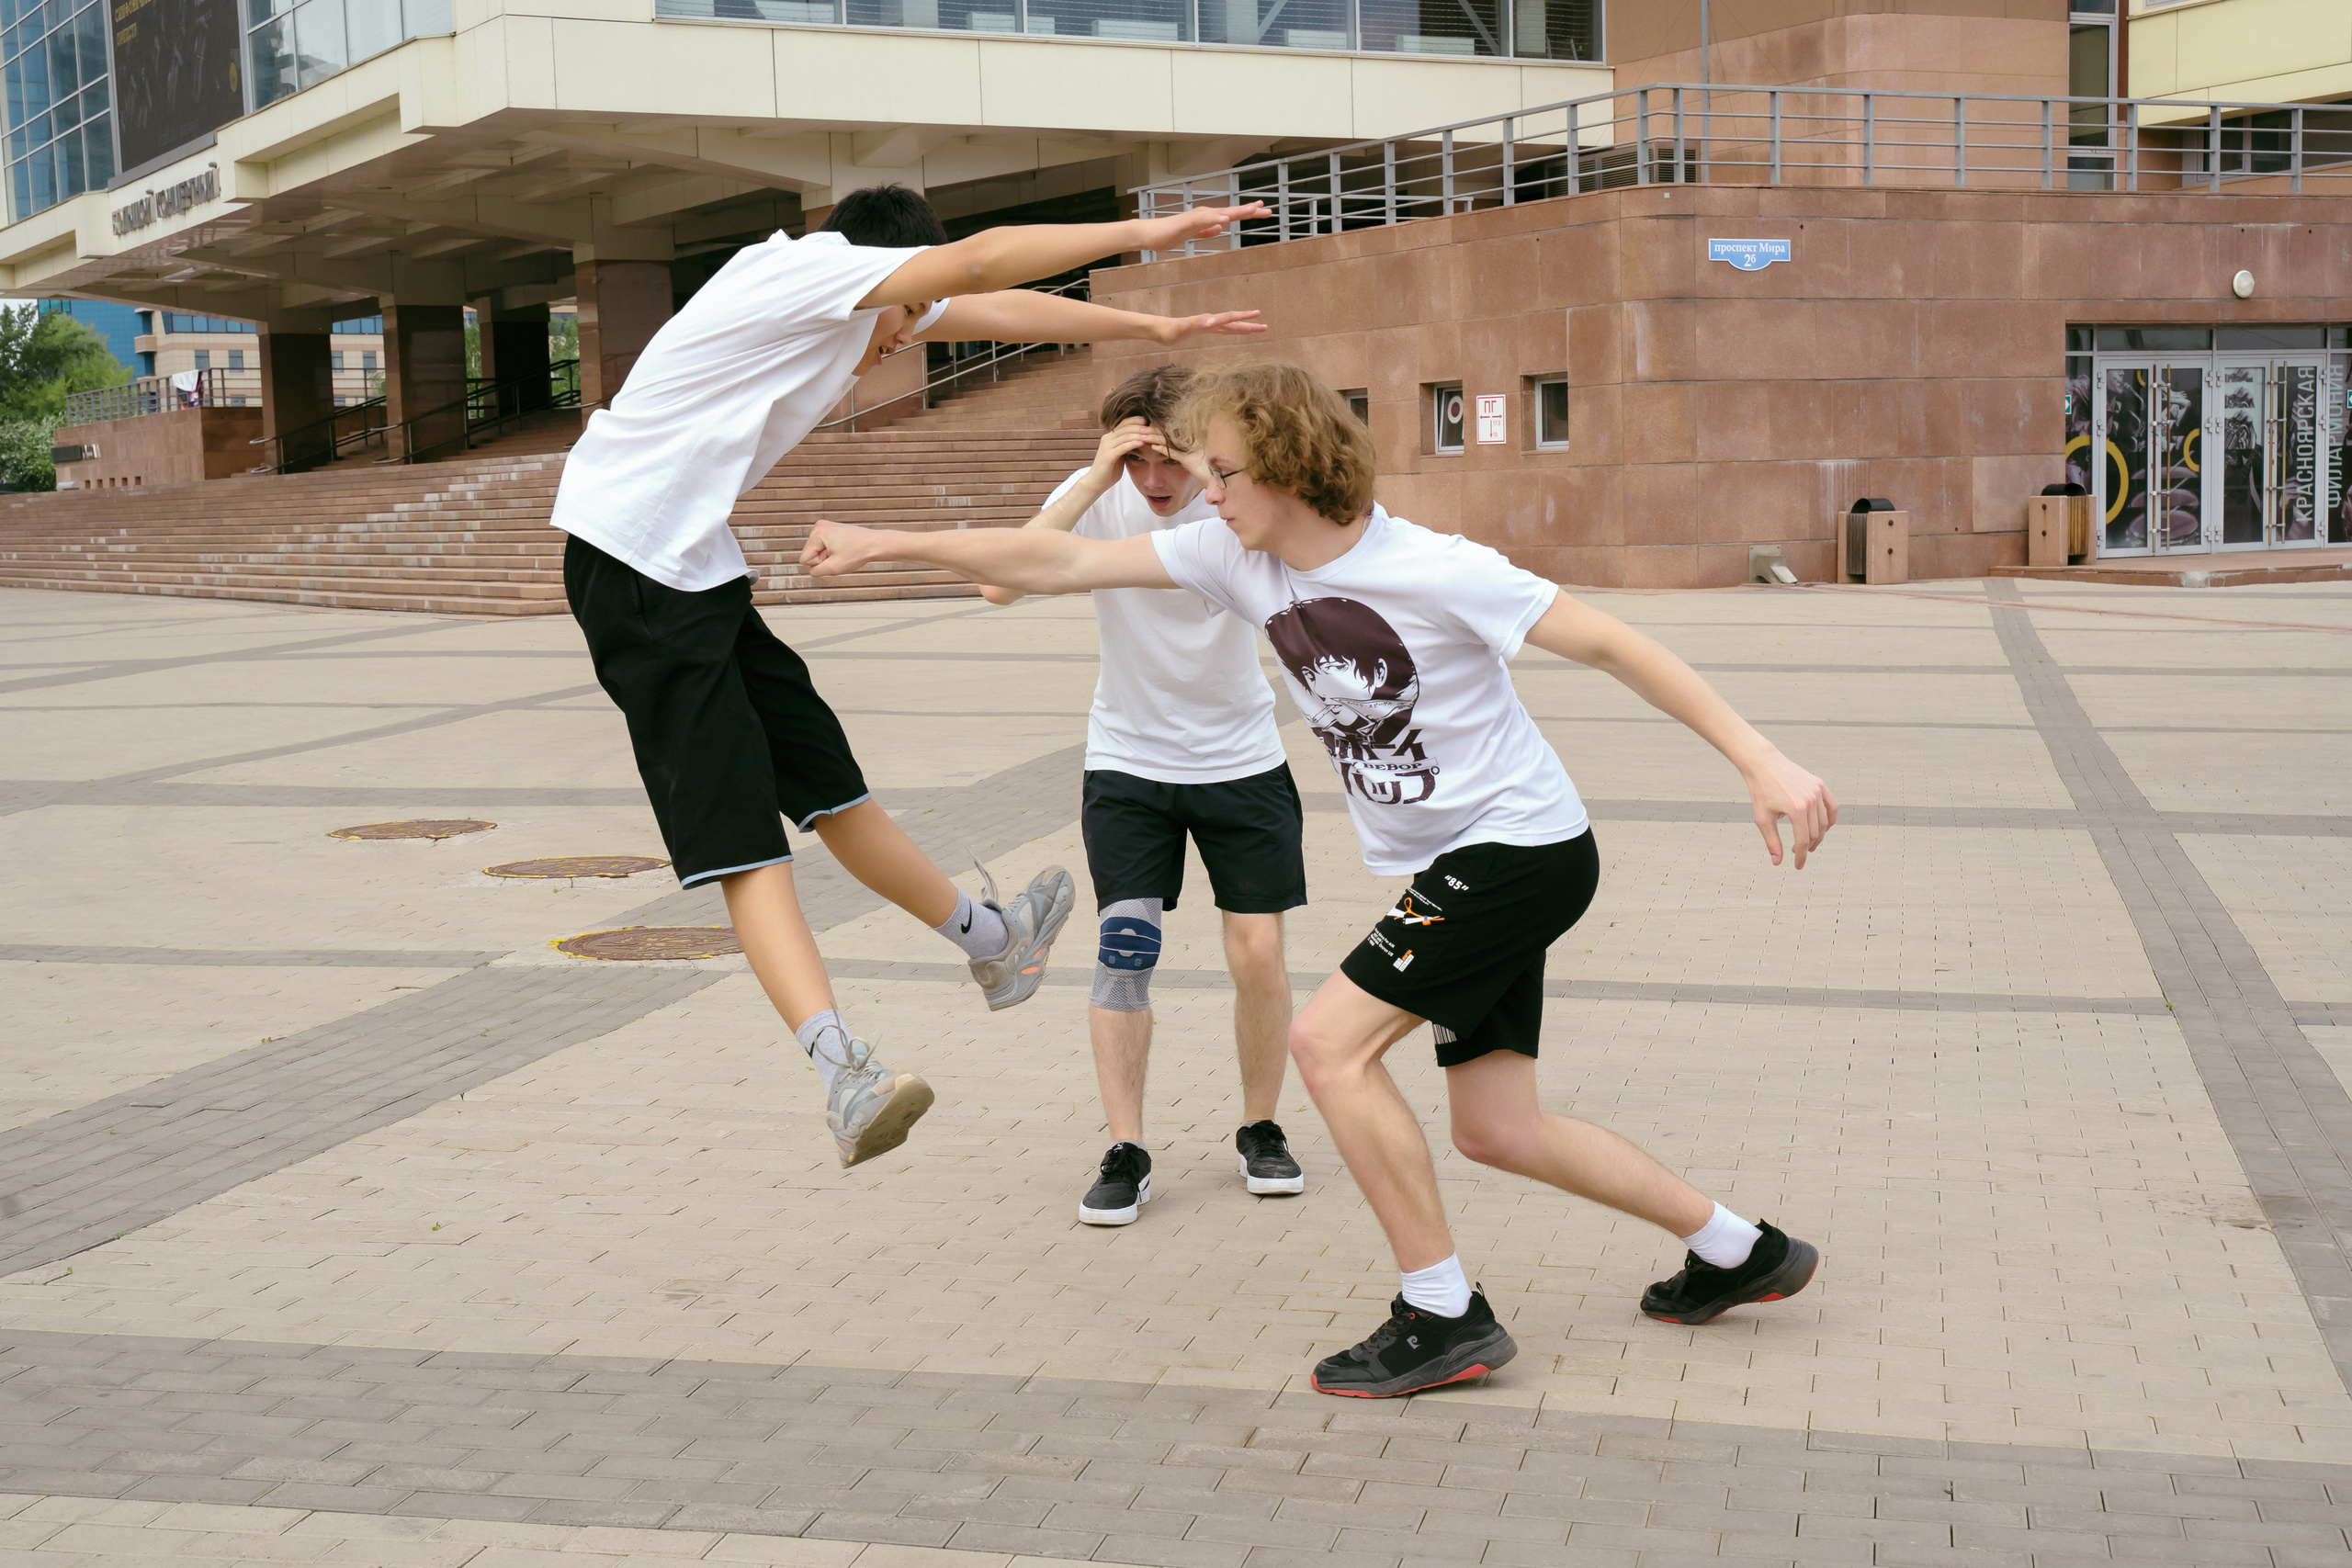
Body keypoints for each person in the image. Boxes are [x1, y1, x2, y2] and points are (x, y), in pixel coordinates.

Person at [797, 360, 1838, 1396]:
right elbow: (1052, 564)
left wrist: (1761, 760)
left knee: (1327, 1043)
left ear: (1288, 472)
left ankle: (1443, 1315)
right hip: (1473, 859)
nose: (1208, 493)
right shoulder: (1236, 557)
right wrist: (891, 541)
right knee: (1496, 1128)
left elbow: (1613, 642)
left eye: (1225, 473)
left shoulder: (1436, 567)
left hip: (1519, 851)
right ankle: (1737, 1249)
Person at [548, 185, 1271, 1170]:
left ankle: (995, 942)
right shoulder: (805, 271)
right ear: (877, 268)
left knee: (832, 789)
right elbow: (980, 266)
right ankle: (842, 1072)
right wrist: (1150, 233)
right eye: (902, 319)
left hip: (695, 566)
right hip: (630, 570)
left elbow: (1002, 308)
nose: (898, 344)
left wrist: (1149, 319)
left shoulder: (854, 299)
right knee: (745, 846)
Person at [979, 364, 1307, 1226]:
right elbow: (998, 583)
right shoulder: (1103, 493)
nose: (1154, 483)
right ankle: (1126, 1146)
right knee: (1126, 946)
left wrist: (1214, 471)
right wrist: (1095, 476)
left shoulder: (1235, 498)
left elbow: (1315, 563)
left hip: (1241, 757)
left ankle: (1261, 1127)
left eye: (1173, 461)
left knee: (1259, 954)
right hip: (1128, 758)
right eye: (1138, 462)